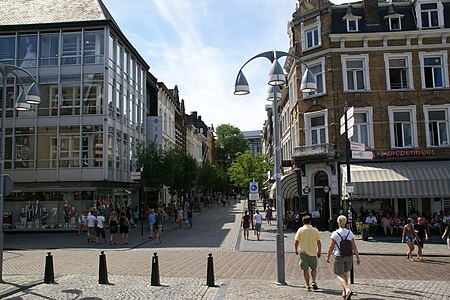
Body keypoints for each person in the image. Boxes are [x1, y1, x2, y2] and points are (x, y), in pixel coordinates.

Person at [326, 215, 361, 300]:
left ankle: (347, 289)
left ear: (338, 222)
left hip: (339, 255)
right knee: (346, 273)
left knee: (338, 274)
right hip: (348, 255)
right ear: (345, 222)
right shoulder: (349, 233)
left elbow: (331, 247)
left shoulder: (335, 233)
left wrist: (328, 256)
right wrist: (357, 257)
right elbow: (354, 246)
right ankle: (345, 291)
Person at [294, 215, 321, 291]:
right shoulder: (315, 230)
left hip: (303, 252)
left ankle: (307, 284)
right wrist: (319, 251)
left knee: (305, 269)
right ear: (310, 221)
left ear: (303, 222)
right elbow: (318, 242)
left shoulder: (300, 230)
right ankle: (314, 281)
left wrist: (296, 249)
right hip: (312, 251)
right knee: (314, 268)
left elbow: (296, 241)